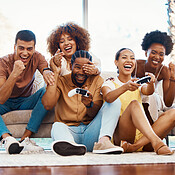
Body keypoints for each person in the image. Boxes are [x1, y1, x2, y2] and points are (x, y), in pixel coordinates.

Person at [42, 50, 123, 156]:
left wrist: (89, 105)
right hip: (69, 132)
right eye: (77, 67)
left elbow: (94, 113)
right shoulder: (61, 81)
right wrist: (56, 73)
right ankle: (70, 145)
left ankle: (103, 142)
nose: (81, 72)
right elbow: (48, 105)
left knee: (114, 101)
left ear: (90, 67)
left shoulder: (97, 80)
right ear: (70, 66)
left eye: (85, 68)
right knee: (57, 126)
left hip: (91, 133)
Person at [101, 48, 173, 155]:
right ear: (116, 62)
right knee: (134, 104)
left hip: (142, 136)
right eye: (124, 57)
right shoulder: (109, 83)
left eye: (132, 58)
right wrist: (125, 87)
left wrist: (150, 83)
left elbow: (148, 91)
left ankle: (135, 146)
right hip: (122, 134)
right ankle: (157, 142)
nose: (129, 60)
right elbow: (108, 97)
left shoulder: (137, 83)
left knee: (173, 113)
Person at [0, 30, 54, 154]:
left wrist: (46, 71)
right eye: (21, 48)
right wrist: (14, 74)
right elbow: (1, 99)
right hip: (5, 102)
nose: (25, 53)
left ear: (34, 48)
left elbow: (44, 68)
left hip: (25, 101)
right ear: (15, 47)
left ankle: (25, 139)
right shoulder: (3, 62)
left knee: (46, 91)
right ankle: (8, 139)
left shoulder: (37, 57)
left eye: (29, 49)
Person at [132, 30, 175, 124]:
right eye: (154, 52)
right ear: (146, 52)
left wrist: (173, 78)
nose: (157, 57)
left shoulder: (164, 71)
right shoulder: (136, 65)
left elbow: (168, 103)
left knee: (150, 95)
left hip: (153, 100)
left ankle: (151, 126)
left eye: (161, 54)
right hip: (135, 97)